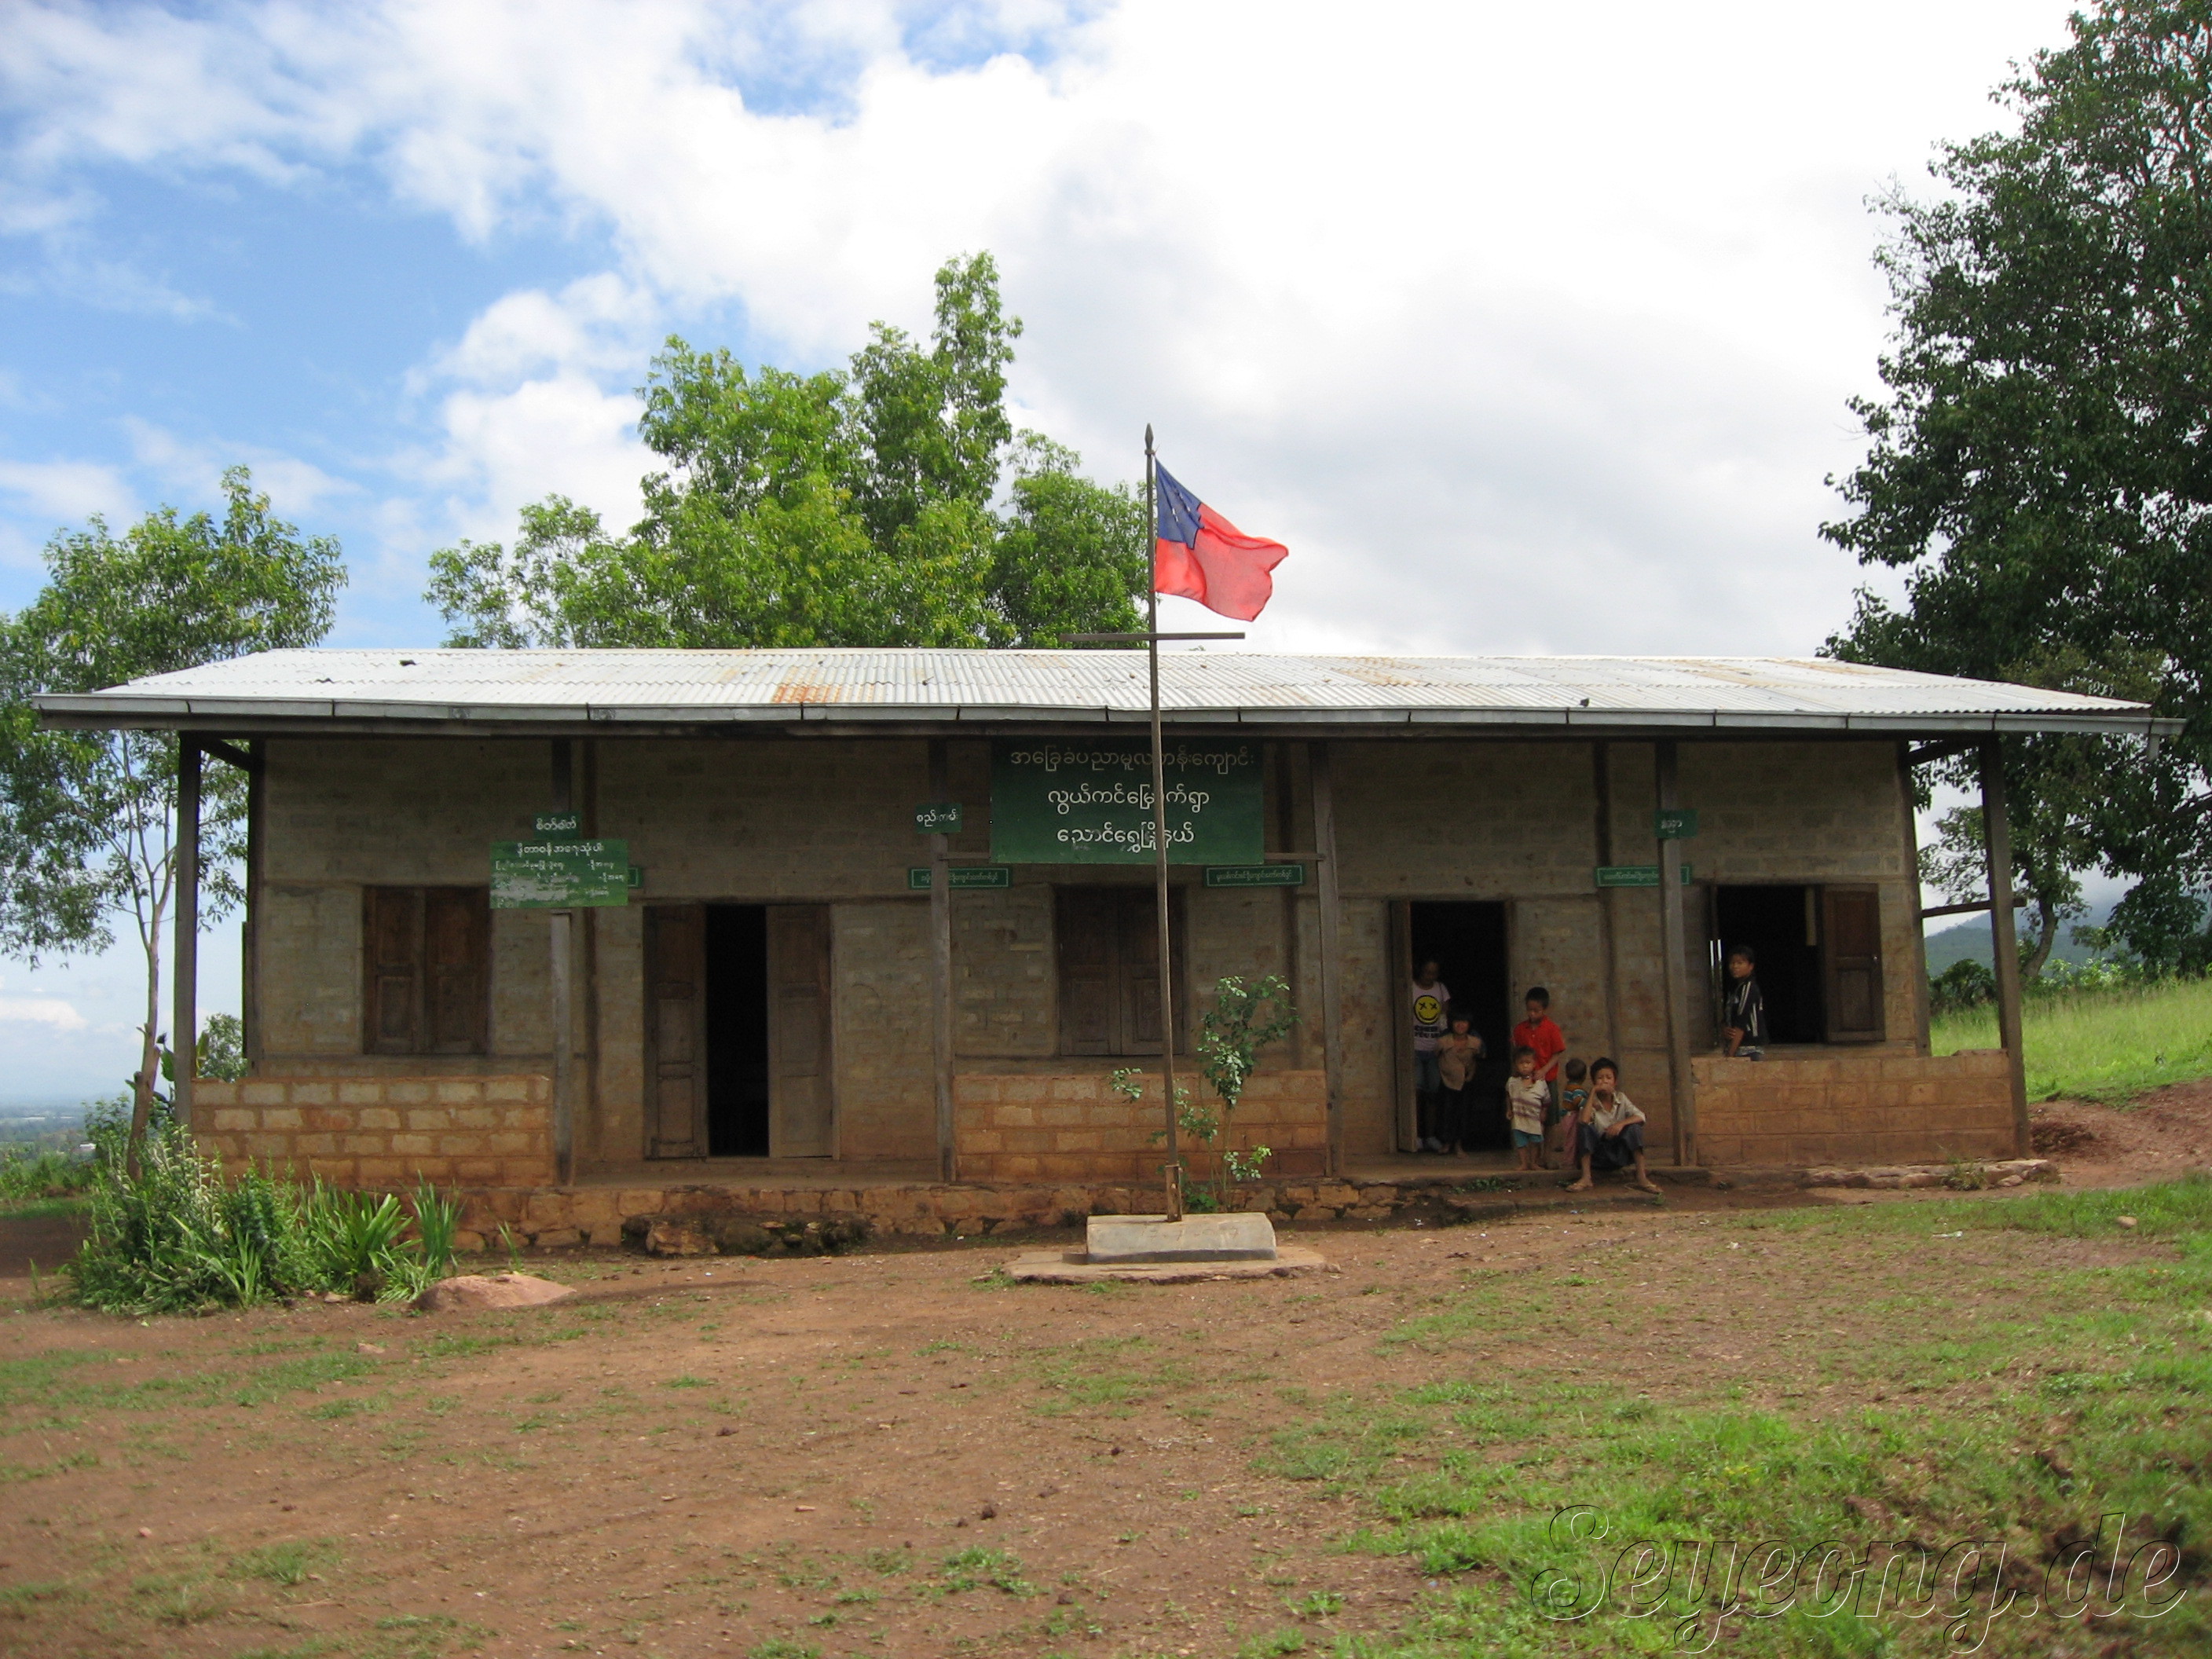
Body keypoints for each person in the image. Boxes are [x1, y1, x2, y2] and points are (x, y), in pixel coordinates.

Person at [1568, 1057, 1659, 1194]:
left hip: (1619, 1154)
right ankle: (1586, 1178)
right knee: (1585, 1128)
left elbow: (1641, 1116)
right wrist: (1592, 1093)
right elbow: (1584, 1121)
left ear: (1615, 1082)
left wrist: (1620, 1125)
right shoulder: (1590, 1102)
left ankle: (1642, 1178)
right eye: (1600, 1078)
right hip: (1598, 1155)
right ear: (1594, 1082)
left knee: (1634, 1128)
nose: (1604, 1081)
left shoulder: (1621, 1098)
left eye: (1608, 1078)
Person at [1409, 960, 1452, 1152]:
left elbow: (1445, 1015)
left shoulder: (1441, 989)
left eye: (1434, 973)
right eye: (1427, 972)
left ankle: (1431, 1135)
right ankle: (1416, 1135)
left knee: (1433, 1095)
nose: (1430, 977)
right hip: (1415, 1048)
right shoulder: (1411, 988)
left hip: (1434, 1049)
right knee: (1416, 1095)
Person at [1511, 986, 1567, 1124]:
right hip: (1526, 1079)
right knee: (1528, 1117)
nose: (1532, 1014)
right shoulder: (1520, 1029)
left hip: (1547, 1078)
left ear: (1544, 1009)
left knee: (1550, 1119)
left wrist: (1544, 1070)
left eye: (1536, 1011)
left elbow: (1557, 1053)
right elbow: (1517, 1051)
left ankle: (1548, 1140)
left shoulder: (1552, 1029)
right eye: (1529, 1010)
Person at [1435, 1013, 1485, 1157]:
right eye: (1457, 1021)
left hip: (1466, 1082)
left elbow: (1479, 1058)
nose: (1460, 1025)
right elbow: (1436, 1057)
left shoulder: (1475, 1042)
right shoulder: (1443, 1042)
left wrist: (1470, 1075)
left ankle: (1459, 1145)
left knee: (1463, 1114)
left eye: (1464, 1022)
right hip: (1447, 1082)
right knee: (1446, 1113)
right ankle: (1446, 1143)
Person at [1504, 1046, 1547, 1171]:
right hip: (1519, 1118)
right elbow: (1508, 1095)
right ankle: (1524, 1163)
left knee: (1535, 1142)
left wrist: (1544, 1112)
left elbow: (1546, 1100)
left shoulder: (1540, 1082)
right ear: (1516, 1065)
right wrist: (1509, 1109)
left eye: (1528, 1063)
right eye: (1521, 1063)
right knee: (1521, 1142)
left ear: (1534, 1064)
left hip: (1534, 1118)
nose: (1525, 1066)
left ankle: (1533, 1163)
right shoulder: (1512, 1081)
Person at [1720, 947, 1766, 1060]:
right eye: (1732, 963)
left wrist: (1730, 1054)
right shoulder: (1734, 989)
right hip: (1736, 1047)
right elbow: (1727, 1016)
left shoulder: (1749, 988)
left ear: (1751, 966)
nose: (1735, 967)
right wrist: (1725, 1029)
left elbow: (1742, 1020)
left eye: (1740, 963)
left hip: (1749, 1048)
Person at [1551, 1057, 1590, 1173]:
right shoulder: (1577, 1089)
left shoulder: (1569, 1086)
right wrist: (1589, 1103)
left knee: (1571, 1140)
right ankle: (1568, 1163)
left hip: (1567, 1117)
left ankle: (1573, 1161)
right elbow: (1577, 1101)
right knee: (1571, 1141)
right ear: (1584, 1076)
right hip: (1572, 1117)